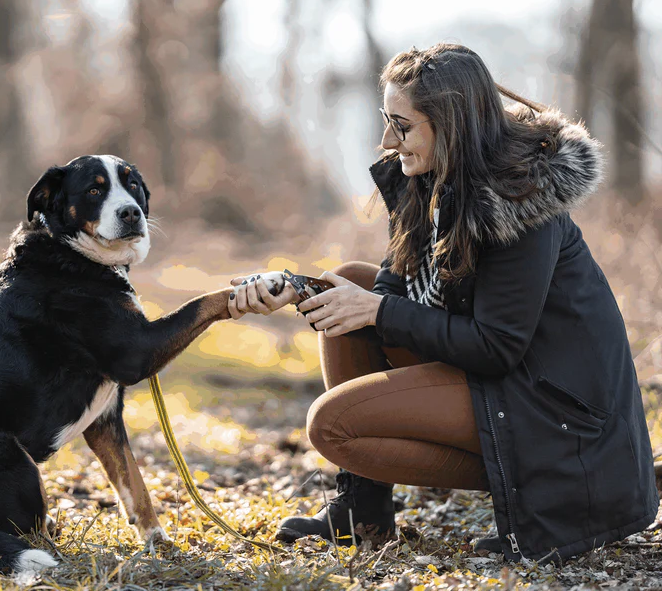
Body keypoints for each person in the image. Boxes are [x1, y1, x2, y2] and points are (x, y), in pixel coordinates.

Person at [227, 44, 659, 563]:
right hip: (505, 381)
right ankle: (362, 514)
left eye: (402, 125)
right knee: (347, 281)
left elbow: (497, 346)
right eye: (386, 121)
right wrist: (299, 289)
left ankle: (530, 492)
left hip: (558, 418)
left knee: (331, 424)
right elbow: (386, 292)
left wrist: (377, 312)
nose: (388, 140)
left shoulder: (518, 197)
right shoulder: (429, 178)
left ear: (449, 125)